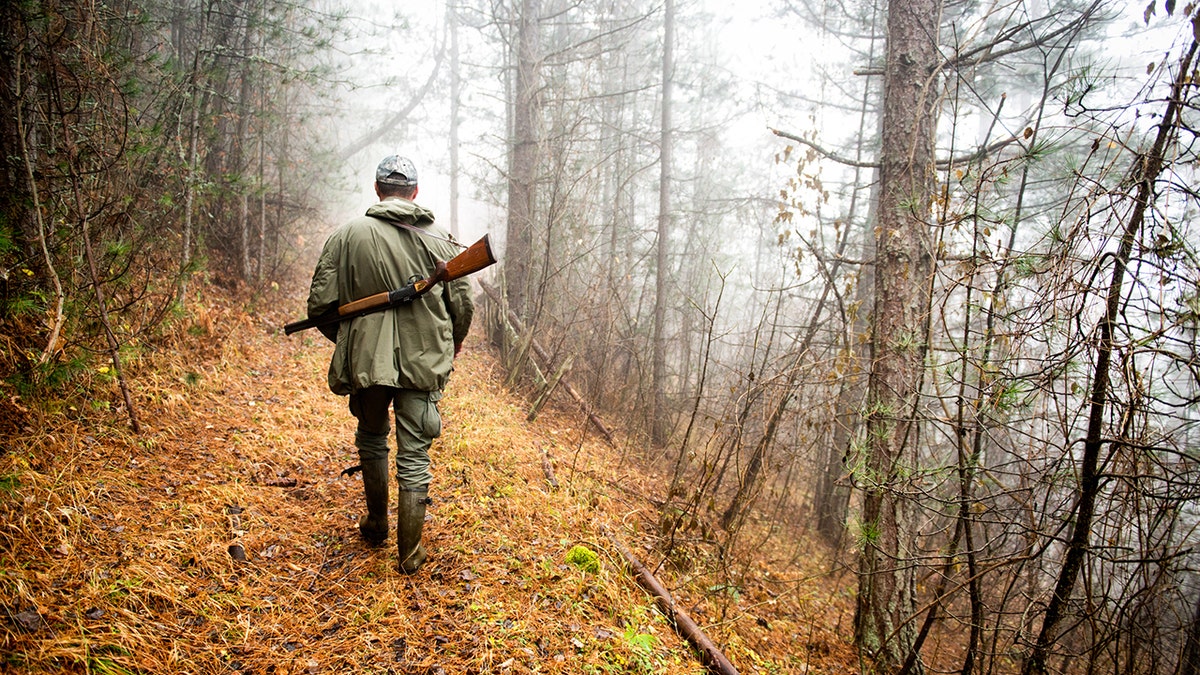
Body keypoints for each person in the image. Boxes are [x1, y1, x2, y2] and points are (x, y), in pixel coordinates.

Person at [306, 155, 473, 573]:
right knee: (415, 454)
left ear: (378, 189)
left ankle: (377, 523)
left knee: (372, 435)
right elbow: (463, 306)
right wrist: (449, 346)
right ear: (414, 192)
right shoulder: (442, 240)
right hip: (425, 358)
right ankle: (410, 553)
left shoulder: (345, 237)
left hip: (367, 358)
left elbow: (320, 307)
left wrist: (352, 342)